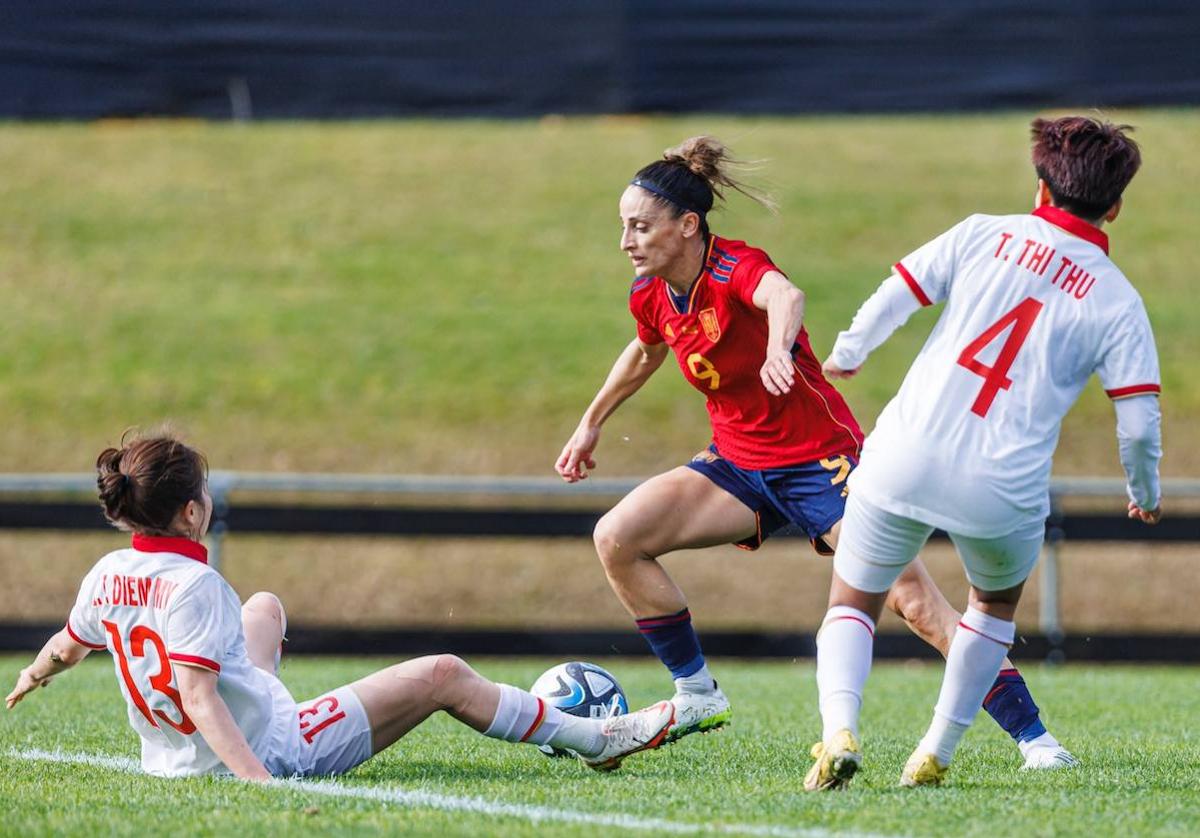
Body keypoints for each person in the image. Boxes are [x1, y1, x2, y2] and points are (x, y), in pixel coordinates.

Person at [555, 136, 1072, 768]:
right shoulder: (652, 293)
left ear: (688, 225)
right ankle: (696, 695)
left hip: (821, 463)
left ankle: (1038, 742)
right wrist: (590, 424)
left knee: (915, 604)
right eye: (623, 226)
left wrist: (779, 348)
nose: (626, 241)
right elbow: (646, 351)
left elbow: (785, 296)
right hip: (739, 467)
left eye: (640, 226)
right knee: (618, 537)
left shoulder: (732, 266)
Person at [805, 116, 1161, 790]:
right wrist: (1143, 490)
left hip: (906, 452)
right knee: (991, 609)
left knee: (852, 601)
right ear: (1114, 206)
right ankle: (934, 751)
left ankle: (838, 731)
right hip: (1001, 487)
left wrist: (848, 352)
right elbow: (1139, 423)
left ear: (1040, 188)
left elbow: (897, 295)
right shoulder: (1118, 300)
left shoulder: (983, 232)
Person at [5, 432, 673, 778]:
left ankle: (270, 705)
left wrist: (32, 676)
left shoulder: (108, 571)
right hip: (272, 748)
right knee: (441, 673)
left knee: (263, 607)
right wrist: (260, 783)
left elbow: (69, 644)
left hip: (173, 755)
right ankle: (596, 738)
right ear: (190, 511)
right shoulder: (195, 586)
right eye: (204, 493)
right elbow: (200, 695)